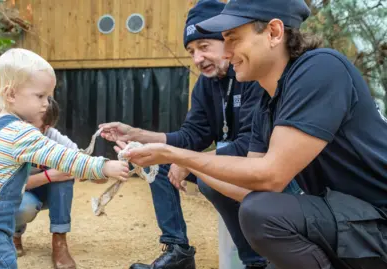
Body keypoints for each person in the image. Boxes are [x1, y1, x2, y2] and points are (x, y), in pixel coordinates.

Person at [123, 0, 387, 268]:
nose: (226, 53)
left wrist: (176, 155)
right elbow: (250, 186)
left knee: (262, 213)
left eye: (233, 39)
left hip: (378, 222)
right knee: (261, 212)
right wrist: (184, 161)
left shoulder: (321, 69)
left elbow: (271, 176)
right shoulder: (268, 100)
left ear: (273, 32)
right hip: (349, 219)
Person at [100, 1, 300, 268]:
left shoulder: (253, 75)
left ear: (228, 42)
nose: (197, 59)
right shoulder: (206, 86)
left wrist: (187, 161)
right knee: (160, 166)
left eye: (204, 47)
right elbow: (191, 136)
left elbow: (249, 146)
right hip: (229, 159)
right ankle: (178, 250)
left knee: (207, 177)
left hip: (264, 167)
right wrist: (136, 134)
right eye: (192, 51)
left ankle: (256, 261)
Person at [0, 48, 130, 269]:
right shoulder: (19, 132)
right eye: (40, 96)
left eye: (49, 96)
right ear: (11, 94)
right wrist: (105, 166)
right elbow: (64, 158)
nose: (47, 103)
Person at [13, 97, 79, 269]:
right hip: (20, 193)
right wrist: (49, 176)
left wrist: (101, 170)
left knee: (64, 176)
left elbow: (79, 159)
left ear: (46, 128)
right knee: (23, 206)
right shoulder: (10, 137)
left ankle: (59, 241)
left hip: (48, 193)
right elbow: (7, 185)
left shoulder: (53, 136)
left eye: (30, 122)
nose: (23, 125)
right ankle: (13, 233)